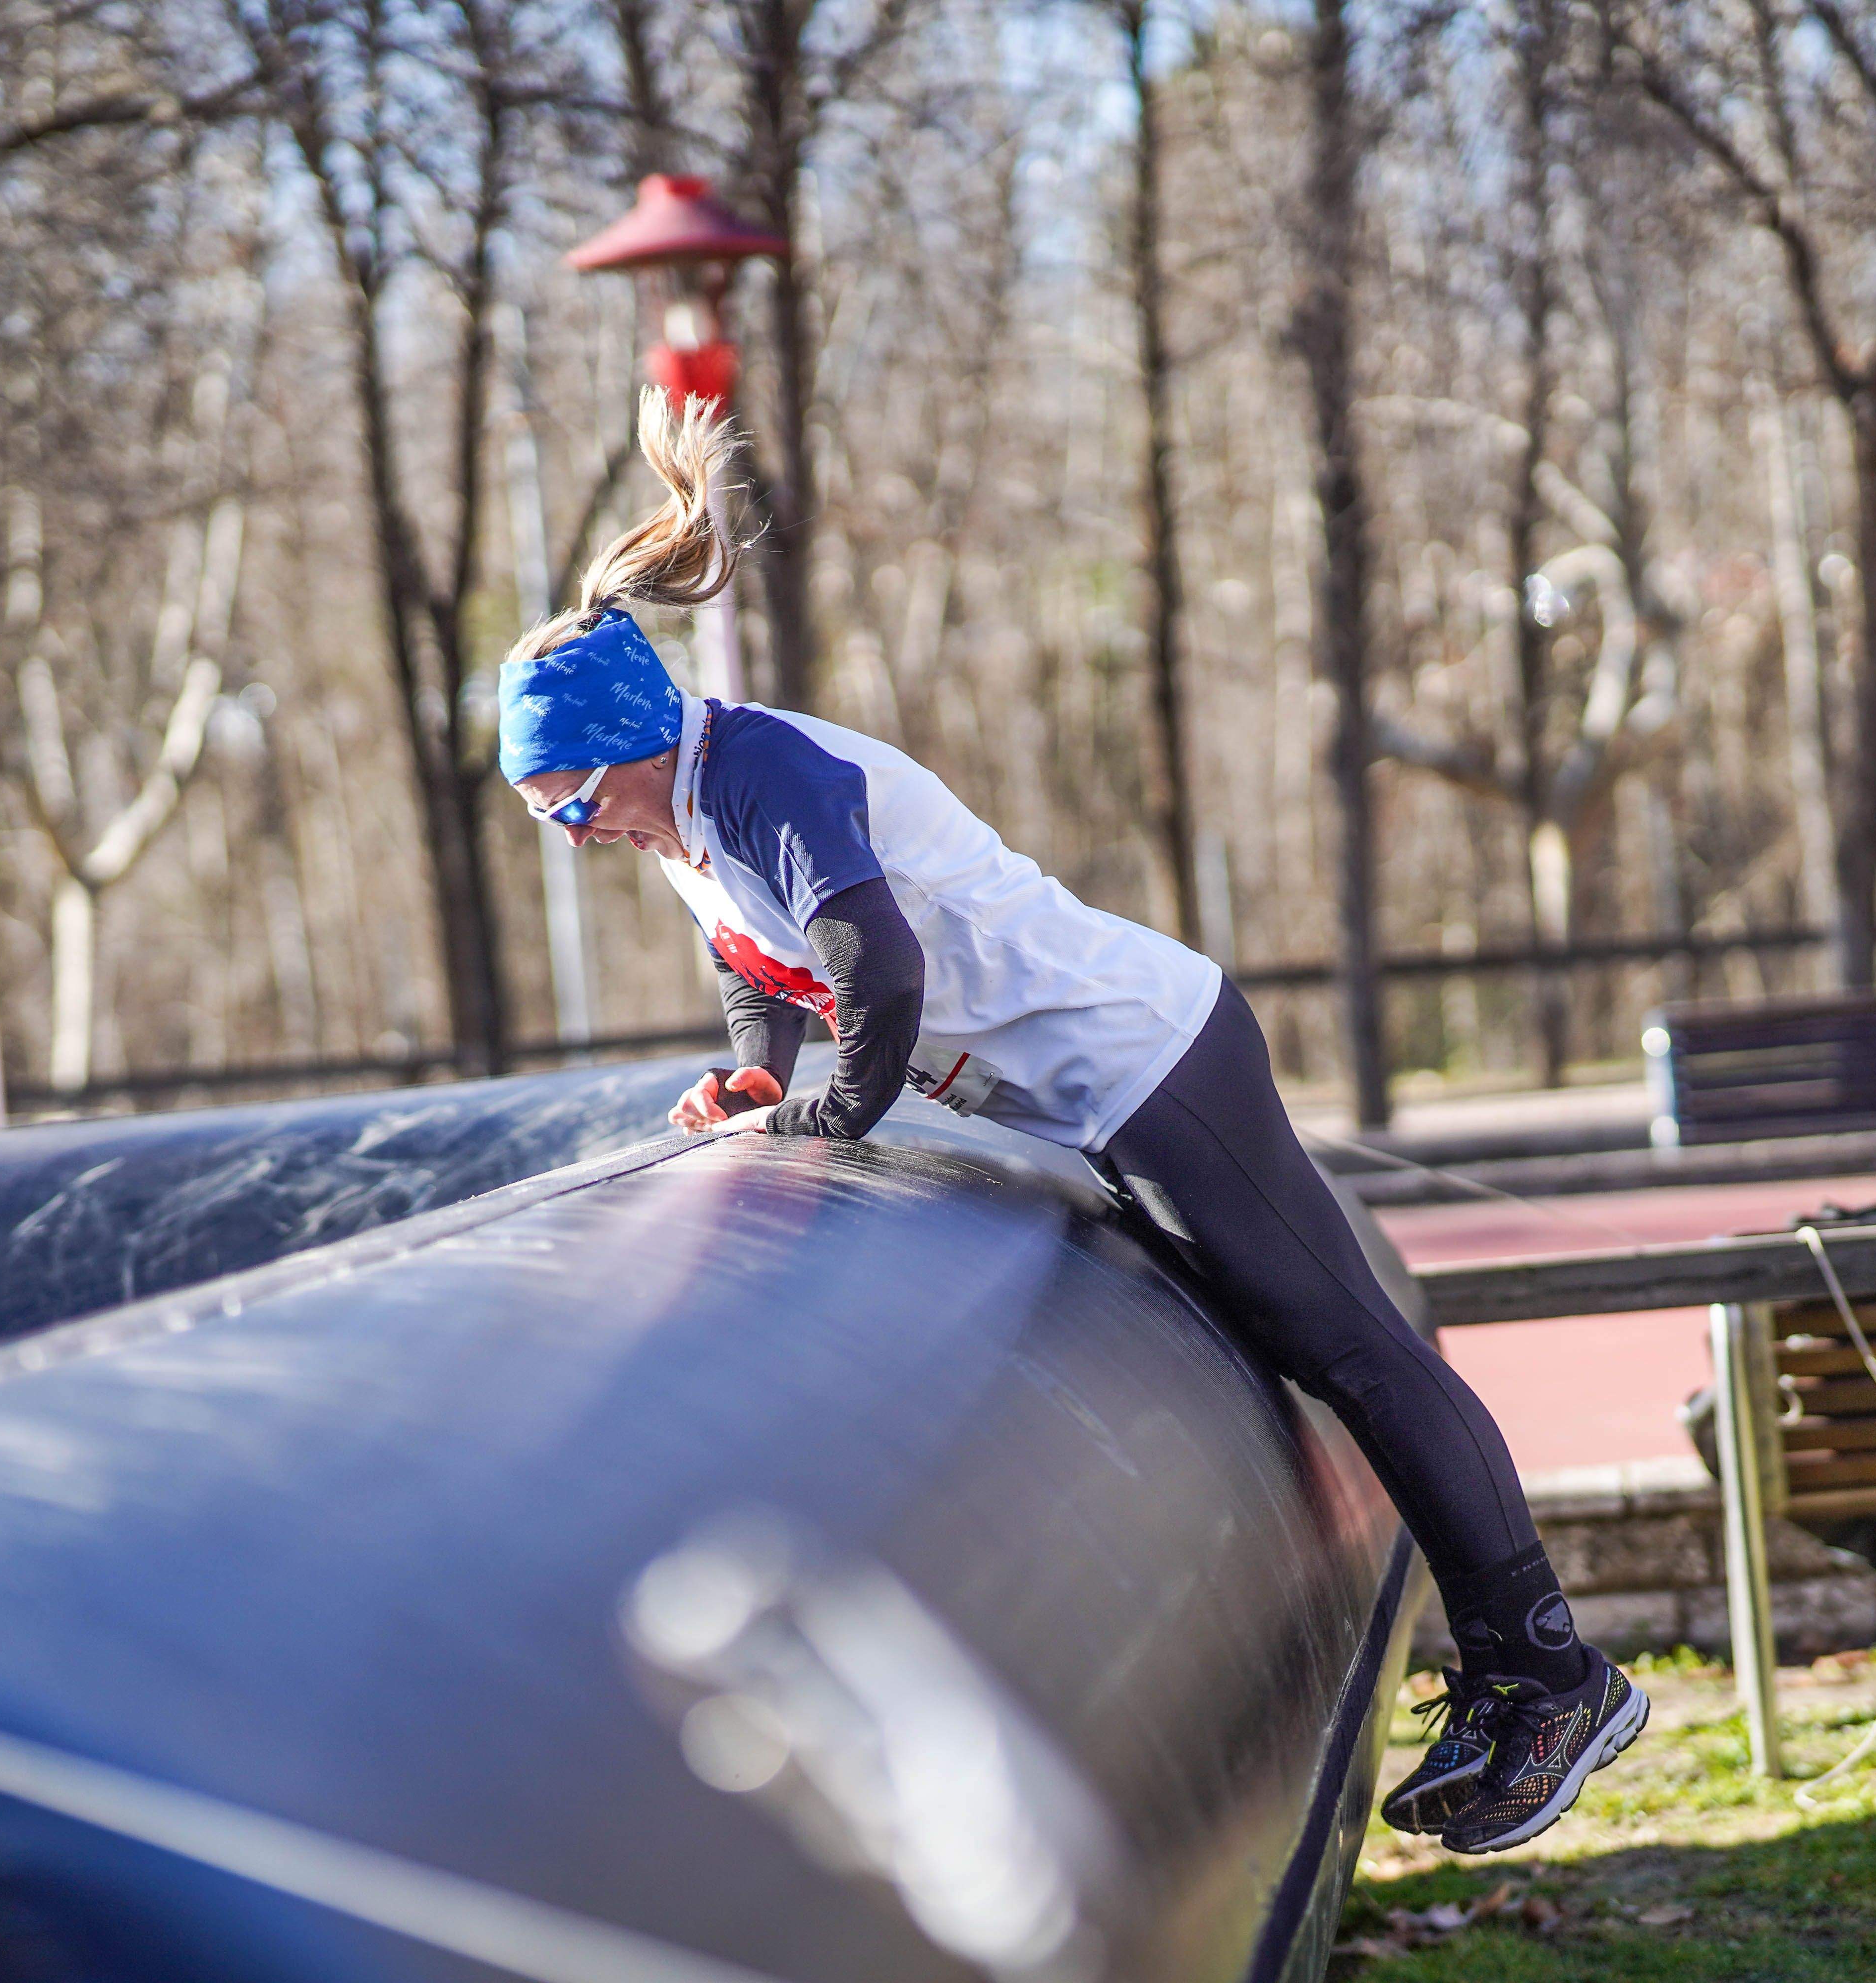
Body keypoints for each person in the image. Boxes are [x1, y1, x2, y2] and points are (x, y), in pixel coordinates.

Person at [496, 391, 1645, 1855]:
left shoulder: (763, 772)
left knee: (1349, 1345)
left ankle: (1550, 1670)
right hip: (1084, 1092)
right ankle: (1512, 1671)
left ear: (631, 743)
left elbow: (879, 970)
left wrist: (829, 1124)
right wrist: (757, 1083)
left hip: (1147, 1057)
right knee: (1307, 1345)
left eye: (574, 805)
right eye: (552, 818)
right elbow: (759, 968)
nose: (579, 839)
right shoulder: (687, 819)